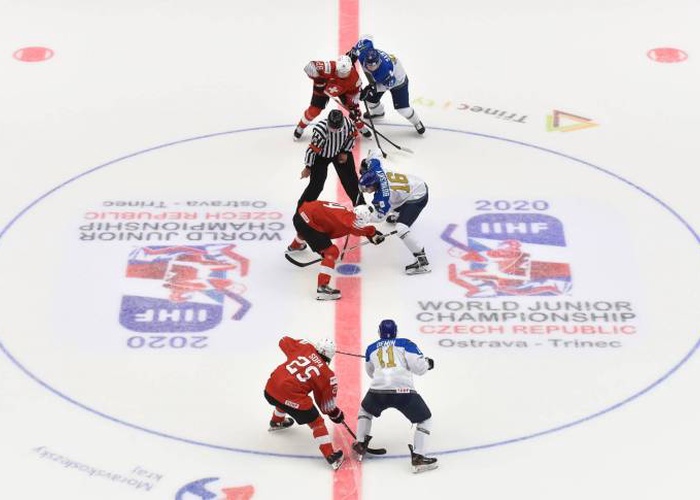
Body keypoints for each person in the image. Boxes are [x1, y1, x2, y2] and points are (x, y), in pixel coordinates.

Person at [351, 319, 438, 473]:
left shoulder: (371, 348)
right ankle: (419, 457)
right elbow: (418, 367)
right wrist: (428, 363)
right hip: (403, 392)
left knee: (365, 411)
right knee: (425, 419)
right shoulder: (405, 344)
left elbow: (371, 372)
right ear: (396, 331)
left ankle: (360, 444)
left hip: (378, 391)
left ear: (379, 332)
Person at [264, 336, 346, 470]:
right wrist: (335, 414)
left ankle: (277, 421)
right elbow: (326, 406)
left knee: (285, 397)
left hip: (270, 388)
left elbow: (283, 341)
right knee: (317, 422)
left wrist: (305, 345)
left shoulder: (304, 347)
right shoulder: (327, 375)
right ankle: (331, 456)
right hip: (288, 394)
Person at [287, 200, 385, 300]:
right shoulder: (350, 222)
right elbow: (357, 229)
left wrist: (372, 233)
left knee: (310, 227)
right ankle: (322, 288)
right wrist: (373, 234)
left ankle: (295, 245)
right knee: (331, 252)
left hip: (300, 214)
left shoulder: (345, 211)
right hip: (307, 225)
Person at [358, 152, 430, 274]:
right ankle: (399, 214)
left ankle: (422, 260)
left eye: (367, 188)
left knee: (401, 229)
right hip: (415, 184)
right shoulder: (375, 167)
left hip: (418, 196)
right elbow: (375, 152)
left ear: (374, 184)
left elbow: (380, 217)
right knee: (395, 203)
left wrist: (364, 217)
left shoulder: (384, 197)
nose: (366, 191)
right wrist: (365, 165)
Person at [347, 36, 425, 134]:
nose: (372, 67)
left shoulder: (384, 71)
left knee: (403, 109)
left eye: (374, 65)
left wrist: (372, 89)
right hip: (382, 79)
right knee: (370, 101)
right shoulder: (363, 52)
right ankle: (378, 112)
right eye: (369, 65)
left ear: (379, 62)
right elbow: (367, 38)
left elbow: (389, 85)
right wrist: (353, 53)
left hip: (397, 82)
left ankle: (417, 122)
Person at [293, 109, 365, 213]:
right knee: (316, 185)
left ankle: (362, 208)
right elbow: (312, 150)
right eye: (332, 128)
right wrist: (308, 167)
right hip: (321, 156)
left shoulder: (348, 124)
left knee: (351, 181)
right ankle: (302, 210)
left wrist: (345, 151)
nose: (334, 131)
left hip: (340, 151)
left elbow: (352, 135)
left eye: (337, 129)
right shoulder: (321, 130)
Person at [293, 56, 371, 140]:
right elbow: (309, 67)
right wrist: (319, 81)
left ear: (350, 69)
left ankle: (360, 127)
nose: (342, 75)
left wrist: (354, 102)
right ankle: (300, 127)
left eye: (345, 73)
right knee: (314, 111)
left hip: (344, 91)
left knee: (355, 112)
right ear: (336, 67)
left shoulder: (354, 77)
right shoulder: (328, 67)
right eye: (339, 72)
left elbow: (355, 92)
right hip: (322, 90)